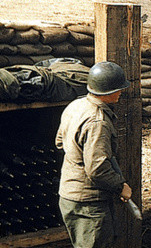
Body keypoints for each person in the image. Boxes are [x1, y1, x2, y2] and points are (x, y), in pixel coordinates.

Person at [56, 61, 133, 248]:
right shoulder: (98, 122)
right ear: (107, 92)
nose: (121, 92)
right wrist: (120, 186)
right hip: (88, 204)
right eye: (118, 88)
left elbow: (60, 142)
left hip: (69, 196)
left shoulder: (76, 106)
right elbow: (97, 170)